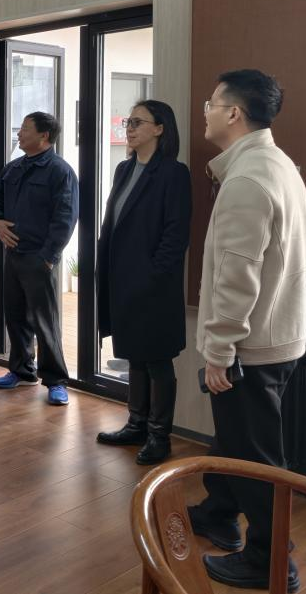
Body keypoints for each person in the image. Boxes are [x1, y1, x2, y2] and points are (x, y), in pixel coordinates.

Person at [188, 70, 306, 593]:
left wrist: (219, 350)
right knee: (236, 439)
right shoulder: (274, 163)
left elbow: (236, 277)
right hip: (274, 338)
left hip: (250, 347)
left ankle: (270, 561)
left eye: (211, 104)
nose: (206, 111)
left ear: (234, 113)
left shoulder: (246, 179)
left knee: (255, 459)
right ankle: (218, 511)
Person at [95, 100, 192, 464]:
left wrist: (152, 276)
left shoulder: (173, 174)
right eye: (128, 122)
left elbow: (175, 235)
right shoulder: (124, 169)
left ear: (160, 128)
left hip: (154, 287)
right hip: (122, 281)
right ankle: (136, 425)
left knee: (157, 360)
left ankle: (159, 436)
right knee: (135, 355)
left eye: (137, 122)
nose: (130, 128)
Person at [0, 112, 79, 406]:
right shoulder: (13, 168)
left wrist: (48, 258)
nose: (19, 133)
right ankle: (22, 371)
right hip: (13, 255)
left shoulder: (60, 171)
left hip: (40, 258)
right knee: (15, 316)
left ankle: (56, 381)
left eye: (25, 129)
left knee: (44, 321)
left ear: (44, 136)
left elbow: (66, 217)